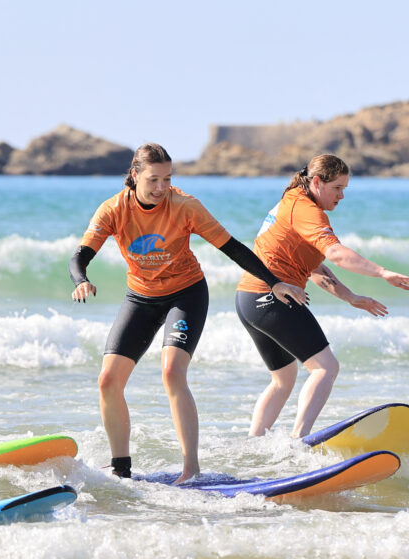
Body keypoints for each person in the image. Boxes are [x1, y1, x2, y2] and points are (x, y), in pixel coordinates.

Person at [69, 143, 307, 484]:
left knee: (172, 372)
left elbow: (232, 247)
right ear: (134, 175)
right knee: (107, 380)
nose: (162, 187)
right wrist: (82, 280)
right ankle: (121, 469)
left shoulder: (185, 207)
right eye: (154, 179)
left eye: (167, 179)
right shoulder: (113, 209)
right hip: (140, 298)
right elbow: (80, 256)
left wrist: (274, 282)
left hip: (186, 294)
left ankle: (190, 470)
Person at [236, 153, 409, 438]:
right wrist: (382, 272)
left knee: (283, 380)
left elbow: (313, 267)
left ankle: (253, 446)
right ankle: (300, 442)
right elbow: (335, 253)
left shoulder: (293, 199)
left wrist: (351, 297)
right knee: (326, 368)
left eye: (345, 189)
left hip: (248, 300)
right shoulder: (306, 209)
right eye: (338, 188)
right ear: (318, 182)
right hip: (271, 297)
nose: (342, 196)